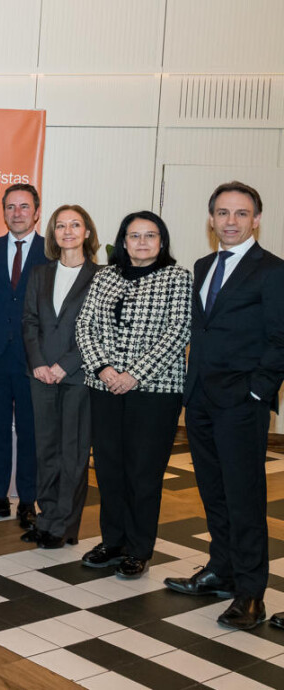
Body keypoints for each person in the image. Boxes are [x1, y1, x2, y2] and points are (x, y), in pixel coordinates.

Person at [164, 182, 284, 630]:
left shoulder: (272, 270)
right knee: (213, 493)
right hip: (200, 400)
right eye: (222, 212)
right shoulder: (203, 265)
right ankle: (221, 570)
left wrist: (257, 392)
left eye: (241, 213)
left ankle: (251, 593)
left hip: (241, 403)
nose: (230, 221)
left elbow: (280, 338)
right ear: (211, 219)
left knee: (244, 498)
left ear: (256, 219)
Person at [76, 211, 190, 579]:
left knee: (143, 472)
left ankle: (139, 549)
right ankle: (113, 542)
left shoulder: (177, 277)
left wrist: (134, 374)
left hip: (155, 391)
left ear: (162, 241)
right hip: (105, 386)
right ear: (123, 241)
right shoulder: (105, 277)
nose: (142, 242)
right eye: (134, 235)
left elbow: (178, 331)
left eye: (150, 235)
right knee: (109, 468)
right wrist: (103, 369)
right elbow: (84, 325)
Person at [20, 205, 100, 549]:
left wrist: (64, 365)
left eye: (75, 225)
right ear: (53, 233)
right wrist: (39, 363)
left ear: (87, 232)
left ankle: (65, 525)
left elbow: (98, 329)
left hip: (78, 376)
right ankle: (46, 518)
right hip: (40, 375)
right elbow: (29, 321)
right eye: (61, 226)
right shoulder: (40, 273)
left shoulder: (101, 277)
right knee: (46, 450)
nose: (68, 231)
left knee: (73, 453)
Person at [0, 184, 47, 527]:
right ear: (3, 212)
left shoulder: (52, 252)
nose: (17, 213)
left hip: (34, 361)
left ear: (37, 212)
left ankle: (28, 500)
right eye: (11, 207)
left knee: (30, 433)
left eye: (24, 207)